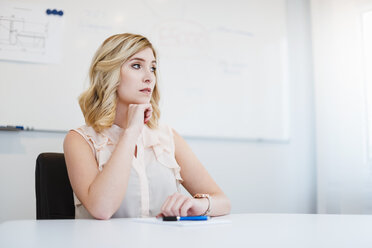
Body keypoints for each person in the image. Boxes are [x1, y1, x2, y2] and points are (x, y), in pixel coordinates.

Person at [64, 33, 231, 220]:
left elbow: (223, 202)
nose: (149, 77)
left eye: (152, 68)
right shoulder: (80, 139)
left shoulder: (167, 137)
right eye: (137, 66)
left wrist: (198, 204)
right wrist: (131, 131)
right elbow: (102, 209)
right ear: (109, 73)